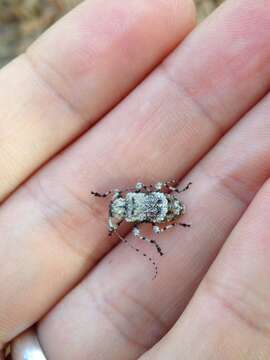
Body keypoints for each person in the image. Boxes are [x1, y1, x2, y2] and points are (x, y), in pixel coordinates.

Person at [1, 0, 270, 358]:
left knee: (156, 208)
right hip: (161, 207)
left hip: (163, 206)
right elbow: (139, 201)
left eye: (118, 203)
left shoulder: (131, 205)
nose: (119, 204)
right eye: (118, 205)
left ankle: (173, 207)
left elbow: (142, 197)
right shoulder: (129, 207)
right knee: (155, 211)